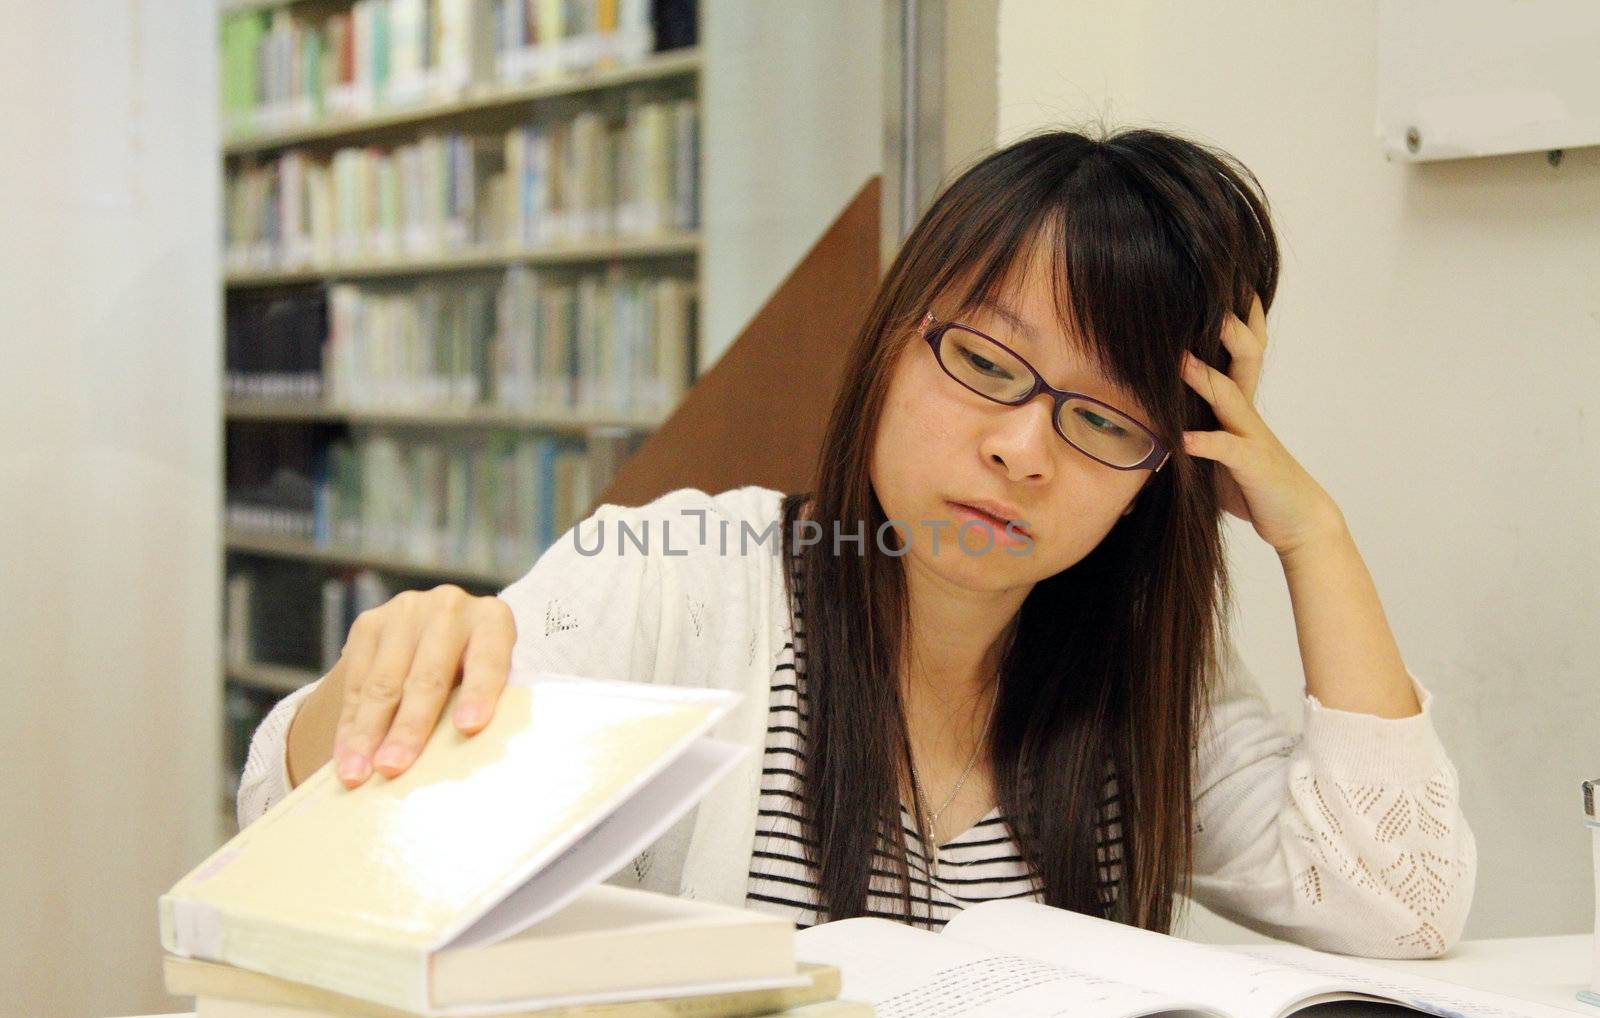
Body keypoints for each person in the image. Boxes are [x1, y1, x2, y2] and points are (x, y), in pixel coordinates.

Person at [236, 126, 1476, 958]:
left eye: (1104, 418)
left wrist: (1313, 532)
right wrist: (384, 676)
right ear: (889, 344)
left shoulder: (1147, 673)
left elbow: (1400, 906)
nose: (1023, 449)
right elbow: (300, 826)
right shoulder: (681, 582)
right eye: (986, 363)